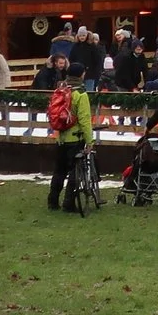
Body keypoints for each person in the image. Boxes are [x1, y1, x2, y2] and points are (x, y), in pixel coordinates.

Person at [46, 69, 94, 215]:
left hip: (61, 138)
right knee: (75, 173)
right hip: (75, 138)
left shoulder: (61, 90)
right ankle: (68, 204)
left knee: (59, 171)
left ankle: (53, 201)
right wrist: (89, 140)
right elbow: (85, 120)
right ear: (82, 75)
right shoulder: (80, 94)